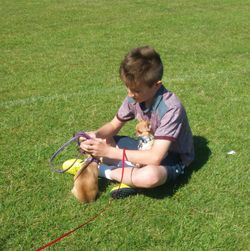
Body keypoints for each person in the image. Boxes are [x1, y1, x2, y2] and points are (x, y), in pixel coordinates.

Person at [80, 46, 194, 198]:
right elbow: (114, 125)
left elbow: (155, 157)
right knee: (100, 139)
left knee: (149, 177)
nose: (130, 94)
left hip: (171, 159)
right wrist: (94, 135)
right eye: (127, 87)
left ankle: (102, 170)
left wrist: (109, 152)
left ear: (157, 85)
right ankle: (127, 175)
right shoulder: (133, 97)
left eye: (136, 90)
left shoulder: (171, 108)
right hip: (144, 148)